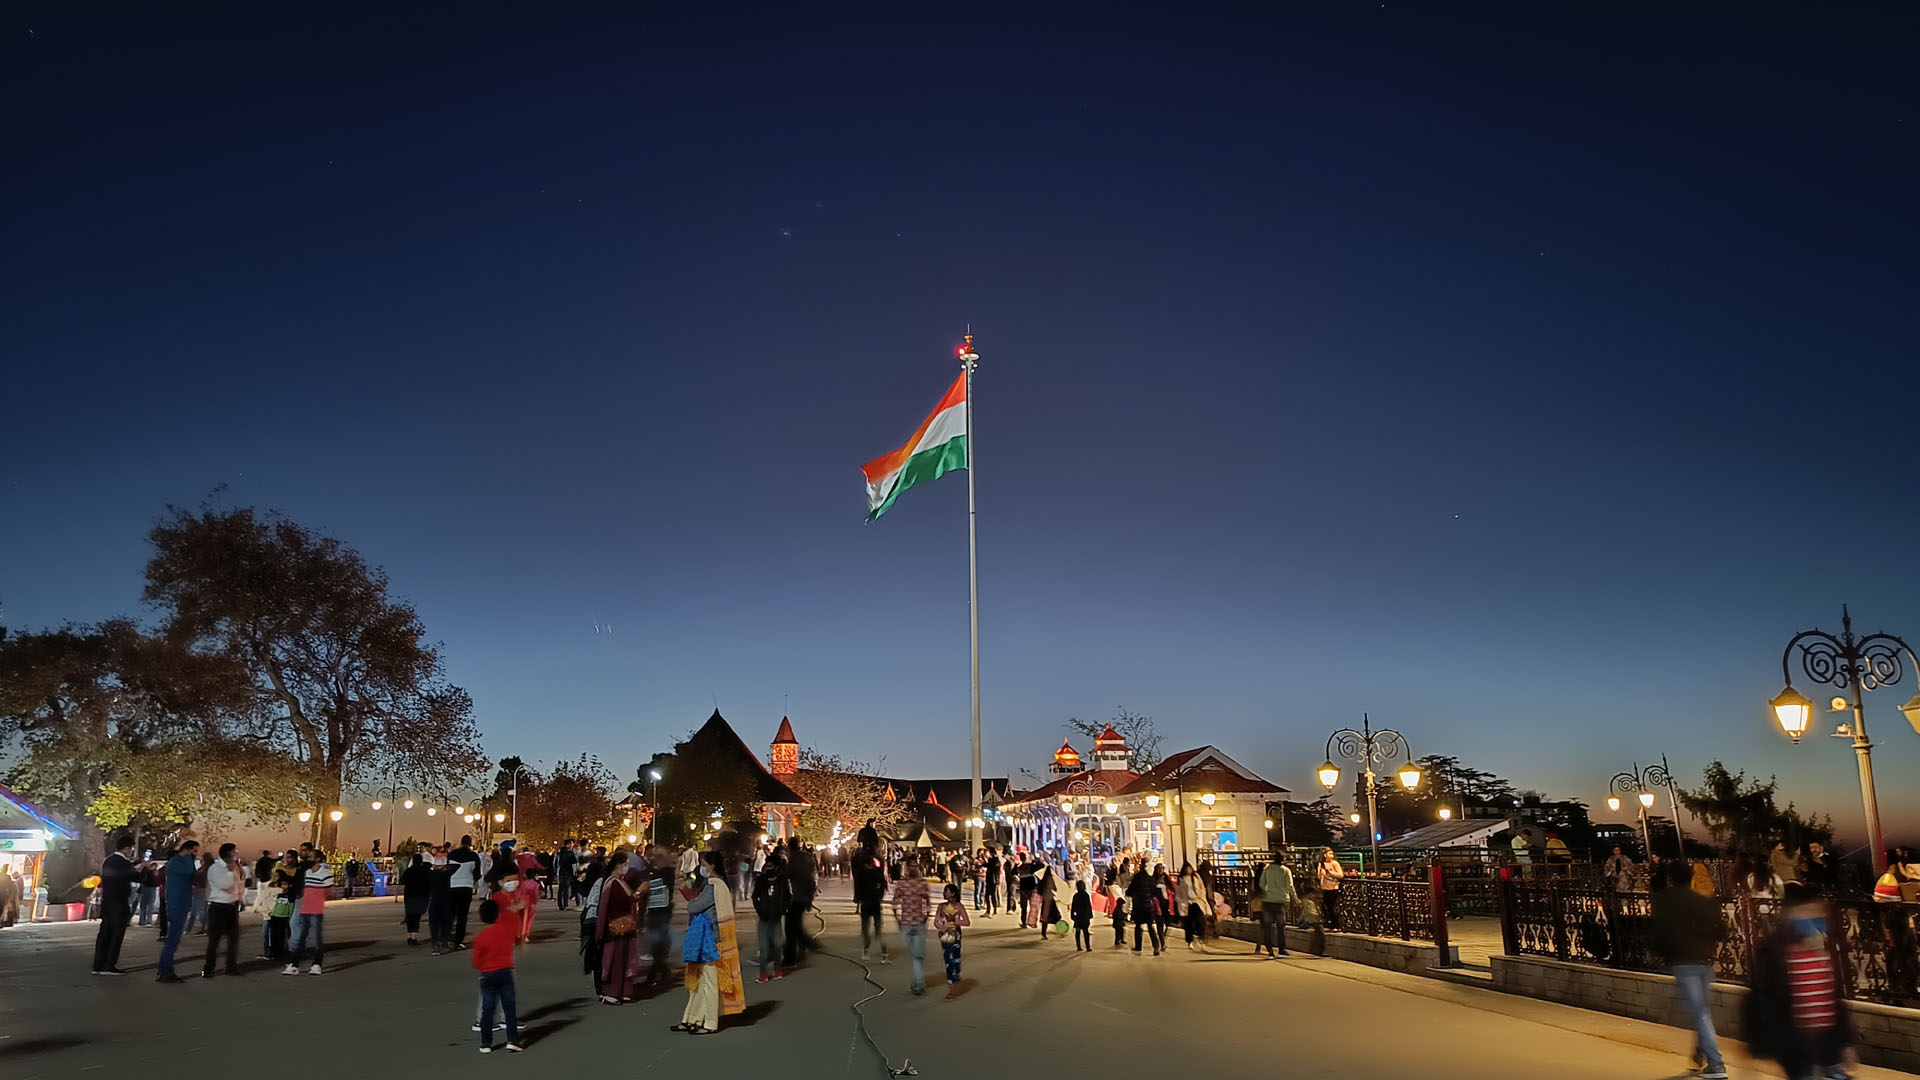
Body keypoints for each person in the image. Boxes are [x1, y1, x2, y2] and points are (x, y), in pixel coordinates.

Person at [1745, 882, 1853, 1080]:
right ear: (1793, 913)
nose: (1818, 916)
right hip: (1794, 1042)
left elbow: (1832, 996)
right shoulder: (1775, 950)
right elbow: (1763, 998)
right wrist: (1764, 1041)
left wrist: (1844, 1042)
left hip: (1824, 1041)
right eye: (1810, 910)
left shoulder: (1817, 947)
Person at [1650, 861, 1726, 1080]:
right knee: (1701, 1013)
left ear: (1670, 878)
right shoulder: (1699, 899)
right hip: (1704, 961)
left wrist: (1661, 951)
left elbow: (1659, 930)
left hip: (1683, 962)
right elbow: (1720, 928)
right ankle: (1702, 1055)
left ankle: (1717, 1065)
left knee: (1700, 1014)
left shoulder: (1665, 899)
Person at [674, 851, 744, 1036]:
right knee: (701, 980)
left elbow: (694, 905)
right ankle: (692, 1018)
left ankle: (710, 1022)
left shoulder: (714, 885)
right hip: (709, 936)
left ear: (712, 866)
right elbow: (692, 891)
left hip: (710, 938)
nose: (702, 868)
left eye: (704, 864)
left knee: (708, 982)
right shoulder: (716, 883)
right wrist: (689, 879)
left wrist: (691, 897)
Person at [471, 899, 525, 1053]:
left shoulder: (481, 937)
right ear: (497, 915)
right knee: (509, 1007)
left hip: (488, 974)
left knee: (488, 1008)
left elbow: (476, 960)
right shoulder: (505, 931)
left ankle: (485, 1043)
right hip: (505, 972)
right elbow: (516, 940)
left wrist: (483, 967)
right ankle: (512, 1040)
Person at [595, 853, 641, 1004]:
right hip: (615, 928)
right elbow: (605, 909)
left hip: (625, 927)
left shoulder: (620, 882)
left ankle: (623, 991)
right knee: (615, 961)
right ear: (618, 864)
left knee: (626, 959)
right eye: (625, 864)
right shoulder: (611, 883)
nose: (626, 867)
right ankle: (611, 992)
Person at [91, 833, 139, 975]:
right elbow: (137, 877)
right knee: (116, 934)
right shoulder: (123, 863)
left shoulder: (108, 860)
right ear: (127, 848)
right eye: (131, 848)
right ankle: (109, 965)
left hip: (108, 901)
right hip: (119, 902)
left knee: (104, 933)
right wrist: (145, 869)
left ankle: (98, 965)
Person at [156, 840, 200, 983]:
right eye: (194, 851)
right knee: (172, 940)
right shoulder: (176, 862)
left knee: (173, 939)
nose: (195, 855)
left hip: (181, 903)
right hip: (177, 904)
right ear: (186, 850)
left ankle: (164, 968)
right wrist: (188, 857)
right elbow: (190, 873)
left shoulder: (180, 862)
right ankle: (166, 970)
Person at [283, 845, 332, 976]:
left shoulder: (324, 873)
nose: (308, 859)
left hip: (315, 908)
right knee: (299, 936)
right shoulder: (306, 871)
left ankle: (316, 964)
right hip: (304, 906)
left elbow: (328, 892)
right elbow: (300, 884)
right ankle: (293, 964)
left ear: (318, 859)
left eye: (311, 856)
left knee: (316, 937)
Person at [201, 843, 246, 977]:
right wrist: (231, 871)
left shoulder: (234, 867)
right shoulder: (216, 868)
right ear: (228, 854)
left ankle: (231, 967)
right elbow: (224, 884)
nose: (236, 854)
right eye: (234, 852)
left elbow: (239, 884)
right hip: (218, 907)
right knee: (214, 940)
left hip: (232, 906)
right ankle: (208, 968)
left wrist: (239, 898)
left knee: (233, 939)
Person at [891, 859, 932, 993]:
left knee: (916, 956)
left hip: (911, 922)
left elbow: (895, 904)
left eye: (915, 866)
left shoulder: (904, 883)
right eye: (912, 866)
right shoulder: (920, 883)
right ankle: (919, 984)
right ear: (908, 867)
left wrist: (898, 920)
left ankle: (917, 982)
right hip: (915, 922)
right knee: (917, 956)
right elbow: (928, 903)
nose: (913, 868)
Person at [751, 847, 790, 983]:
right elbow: (755, 896)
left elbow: (787, 897)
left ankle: (777, 969)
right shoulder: (761, 880)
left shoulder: (782, 881)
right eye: (766, 866)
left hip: (776, 917)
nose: (768, 869)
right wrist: (759, 909)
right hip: (764, 917)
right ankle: (763, 974)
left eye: (771, 866)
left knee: (777, 944)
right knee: (764, 947)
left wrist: (783, 909)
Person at [782, 838, 817, 968]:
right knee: (796, 924)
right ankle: (806, 946)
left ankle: (791, 957)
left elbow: (789, 874)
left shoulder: (795, 860)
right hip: (805, 895)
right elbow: (811, 877)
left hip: (798, 896)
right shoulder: (806, 858)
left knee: (790, 927)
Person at [932, 882, 970, 999]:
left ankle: (956, 980)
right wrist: (943, 928)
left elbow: (967, 922)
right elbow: (936, 921)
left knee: (956, 958)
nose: (944, 893)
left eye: (946, 891)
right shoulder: (941, 906)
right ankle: (952, 986)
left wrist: (955, 923)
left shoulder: (959, 906)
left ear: (953, 893)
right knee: (948, 958)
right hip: (945, 936)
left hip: (956, 935)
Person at [854, 844, 890, 963]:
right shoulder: (877, 872)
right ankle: (883, 954)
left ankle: (866, 951)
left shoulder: (861, 873)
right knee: (878, 929)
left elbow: (857, 886)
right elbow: (883, 885)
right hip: (874, 903)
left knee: (866, 929)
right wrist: (879, 896)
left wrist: (858, 898)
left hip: (866, 902)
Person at [447, 834, 481, 949]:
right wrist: (472, 881)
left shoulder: (451, 854)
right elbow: (477, 874)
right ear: (470, 843)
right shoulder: (474, 856)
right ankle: (458, 940)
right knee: (462, 915)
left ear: (461, 842)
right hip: (466, 887)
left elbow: (446, 869)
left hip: (452, 886)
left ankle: (447, 936)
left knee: (450, 914)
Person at [1257, 857, 1295, 958]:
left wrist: (1266, 893)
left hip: (1267, 900)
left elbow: (1261, 884)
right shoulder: (1286, 870)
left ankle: (1270, 950)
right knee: (1280, 926)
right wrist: (1295, 898)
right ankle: (1281, 949)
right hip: (1280, 901)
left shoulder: (1267, 870)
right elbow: (1290, 886)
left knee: (1267, 926)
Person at [1125, 858, 1163, 955]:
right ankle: (1156, 946)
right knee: (1150, 926)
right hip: (1148, 905)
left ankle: (1138, 946)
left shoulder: (1137, 878)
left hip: (1138, 905)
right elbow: (1154, 891)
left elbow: (1129, 892)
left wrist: (1133, 894)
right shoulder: (1150, 879)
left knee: (1138, 926)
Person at [400, 852, 431, 945]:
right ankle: (414, 937)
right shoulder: (424, 870)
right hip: (421, 896)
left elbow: (402, 880)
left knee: (410, 916)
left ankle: (409, 936)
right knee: (417, 917)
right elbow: (429, 882)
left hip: (409, 895)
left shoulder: (409, 870)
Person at [1176, 861, 1207, 951]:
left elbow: (1202, 888)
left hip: (1197, 902)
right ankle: (1190, 941)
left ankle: (1201, 940)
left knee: (1200, 922)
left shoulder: (1196, 877)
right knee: (1189, 923)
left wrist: (1202, 898)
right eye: (1186, 869)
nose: (1188, 870)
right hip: (1187, 903)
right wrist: (1180, 902)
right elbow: (1179, 892)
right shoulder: (1182, 879)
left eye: (1189, 868)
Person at [185, 850, 212, 935]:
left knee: (200, 910)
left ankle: (205, 928)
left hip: (200, 889)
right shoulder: (207, 868)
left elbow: (199, 878)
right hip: (203, 889)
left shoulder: (205, 869)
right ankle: (197, 928)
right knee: (198, 910)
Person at [1318, 849, 1345, 931]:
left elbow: (1340, 875)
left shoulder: (1334, 863)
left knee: (1333, 907)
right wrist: (1321, 873)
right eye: (1329, 854)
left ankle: (1336, 925)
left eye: (1332, 854)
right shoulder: (1321, 864)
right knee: (1327, 907)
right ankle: (1329, 924)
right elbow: (1319, 877)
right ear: (1325, 855)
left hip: (1334, 887)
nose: (1331, 855)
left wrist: (1330, 872)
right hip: (1325, 887)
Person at [1070, 879, 1093, 951]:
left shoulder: (1075, 896)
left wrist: (1072, 915)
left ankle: (1078, 946)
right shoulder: (1086, 895)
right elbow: (1088, 906)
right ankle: (1088, 947)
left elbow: (1073, 907)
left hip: (1078, 916)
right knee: (1086, 932)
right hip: (1084, 916)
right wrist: (1090, 915)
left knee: (1078, 932)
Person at [554, 839, 577, 911]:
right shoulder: (570, 853)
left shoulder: (558, 853)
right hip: (568, 872)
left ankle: (560, 904)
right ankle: (565, 904)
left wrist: (556, 871)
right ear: (568, 844)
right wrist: (574, 872)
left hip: (561, 872)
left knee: (560, 889)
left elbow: (555, 863)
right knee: (566, 889)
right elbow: (574, 864)